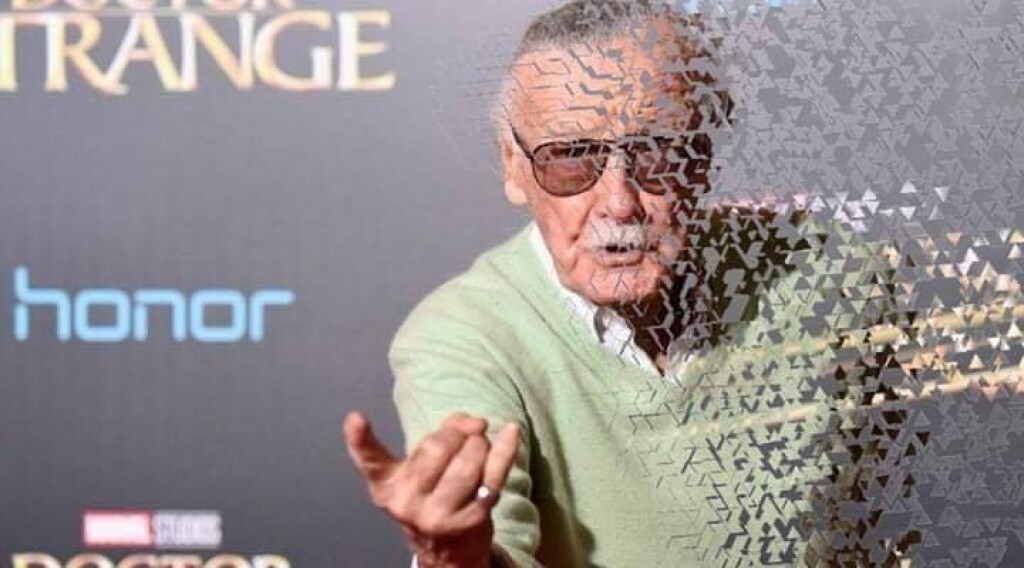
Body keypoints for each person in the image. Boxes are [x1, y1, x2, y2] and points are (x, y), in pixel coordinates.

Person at [344, 1, 916, 566]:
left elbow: (905, 513)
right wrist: (454, 555)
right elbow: (493, 540)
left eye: (657, 153)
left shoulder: (836, 276)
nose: (619, 203)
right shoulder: (463, 336)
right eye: (570, 157)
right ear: (514, 166)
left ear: (703, 159)